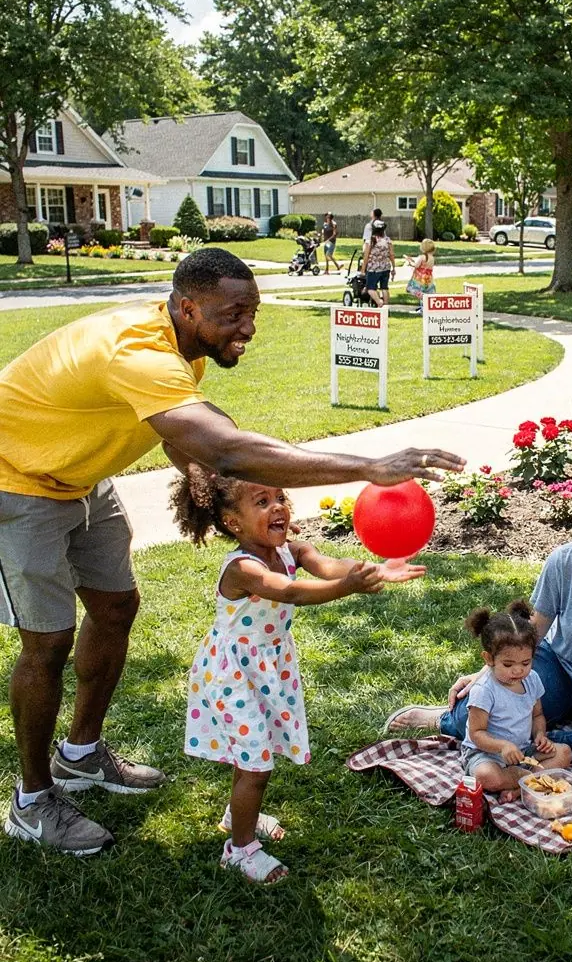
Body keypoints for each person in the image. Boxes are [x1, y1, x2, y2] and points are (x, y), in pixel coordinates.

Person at [0, 247, 464, 857]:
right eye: (233, 314)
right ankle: (32, 801)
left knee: (115, 608)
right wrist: (369, 467)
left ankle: (80, 756)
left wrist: (223, 492)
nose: (247, 327)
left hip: (83, 481)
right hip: (17, 482)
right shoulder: (137, 352)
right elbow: (224, 448)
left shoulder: (177, 348)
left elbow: (193, 441)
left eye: (254, 312)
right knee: (49, 639)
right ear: (188, 308)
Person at [172, 466, 423, 883]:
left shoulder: (292, 550)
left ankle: (239, 816)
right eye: (262, 501)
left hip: (268, 666)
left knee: (256, 749)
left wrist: (372, 570)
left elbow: (328, 565)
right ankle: (239, 850)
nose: (277, 508)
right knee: (256, 763)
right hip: (233, 672)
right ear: (232, 522)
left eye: (279, 498)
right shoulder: (242, 569)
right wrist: (348, 588)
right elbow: (288, 592)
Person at [383, 478, 572, 776]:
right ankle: (446, 720)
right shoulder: (565, 561)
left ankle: (545, 744)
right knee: (475, 712)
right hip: (557, 671)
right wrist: (485, 676)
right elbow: (534, 630)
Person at [461, 599, 571, 803]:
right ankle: (531, 782)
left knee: (564, 752)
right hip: (487, 753)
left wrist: (540, 735)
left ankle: (519, 788)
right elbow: (476, 734)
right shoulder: (484, 690)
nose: (518, 670)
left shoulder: (531, 680)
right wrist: (502, 746)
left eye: (526, 662)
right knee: (485, 776)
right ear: (489, 658)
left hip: (522, 751)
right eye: (508, 664)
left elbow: (537, 714)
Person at [361, 220, 396, 307]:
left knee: (370, 288)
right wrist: (393, 267)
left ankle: (379, 302)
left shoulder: (371, 241)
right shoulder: (388, 240)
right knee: (384, 287)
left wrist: (363, 269)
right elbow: (391, 254)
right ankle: (386, 306)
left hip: (373, 268)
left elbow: (366, 256)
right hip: (386, 267)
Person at [405, 239, 436, 312]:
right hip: (428, 278)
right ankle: (424, 308)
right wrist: (413, 260)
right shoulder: (432, 257)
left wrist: (409, 262)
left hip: (420, 278)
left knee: (415, 290)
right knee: (426, 292)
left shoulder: (422, 257)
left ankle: (423, 309)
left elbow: (416, 265)